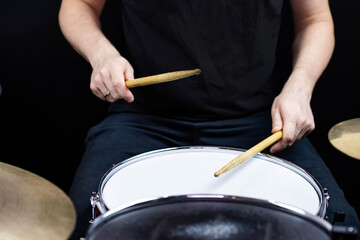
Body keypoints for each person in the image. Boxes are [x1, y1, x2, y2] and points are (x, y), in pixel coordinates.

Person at [59, 0, 360, 239]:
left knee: (341, 225)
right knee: (78, 224)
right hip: (141, 119)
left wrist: (300, 87)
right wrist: (102, 55)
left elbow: (314, 20)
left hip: (260, 124)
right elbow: (78, 5)